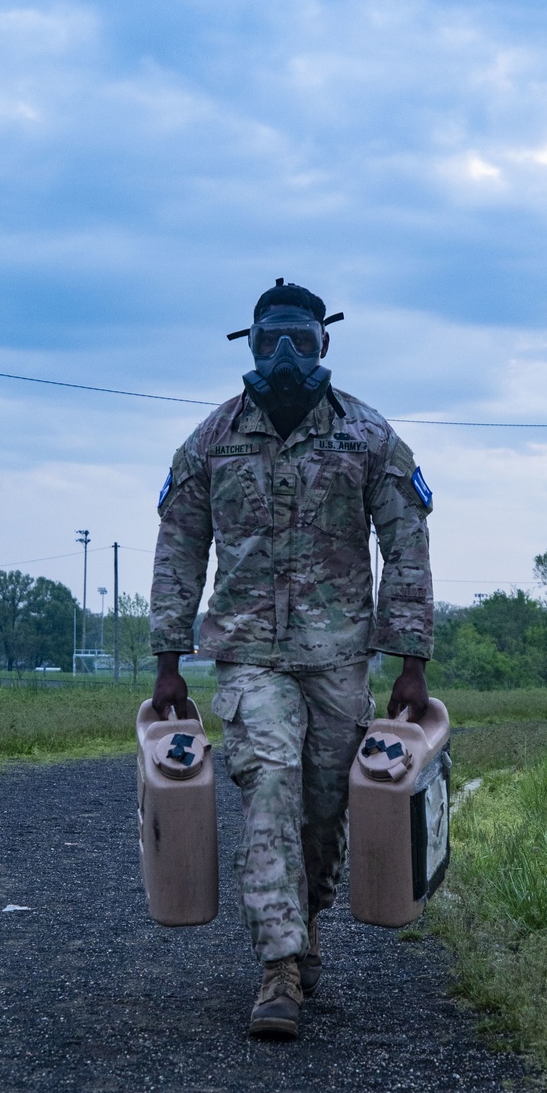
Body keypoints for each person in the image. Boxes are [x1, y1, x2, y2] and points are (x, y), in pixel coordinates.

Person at [149, 279, 434, 1039]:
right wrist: (167, 659)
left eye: (300, 342)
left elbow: (405, 542)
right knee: (269, 784)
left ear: (323, 345)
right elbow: (179, 546)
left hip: (340, 654)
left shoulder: (369, 437)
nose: (284, 356)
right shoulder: (211, 441)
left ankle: (303, 928)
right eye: (271, 340)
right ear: (250, 344)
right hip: (249, 655)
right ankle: (277, 969)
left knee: (323, 805)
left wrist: (411, 659)